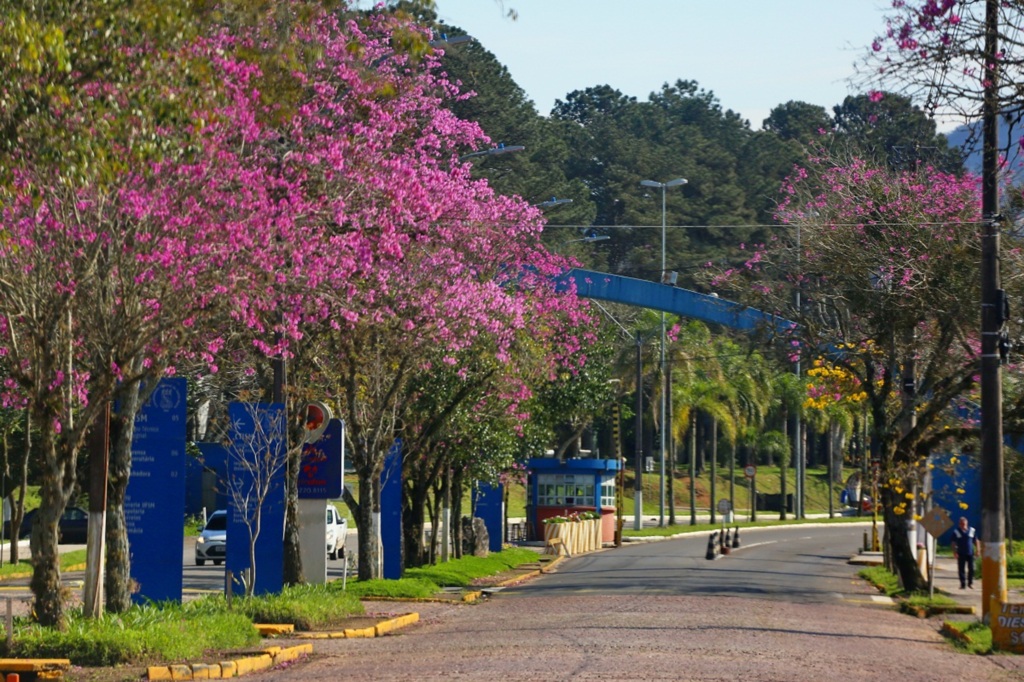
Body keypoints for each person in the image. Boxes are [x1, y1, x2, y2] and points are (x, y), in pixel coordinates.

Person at [951, 516, 980, 589]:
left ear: (967, 523)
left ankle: (970, 583)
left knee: (971, 568)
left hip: (970, 553)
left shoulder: (971, 530)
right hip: (961, 553)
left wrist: (978, 550)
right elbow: (953, 542)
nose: (963, 525)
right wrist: (954, 552)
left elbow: (976, 541)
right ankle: (963, 584)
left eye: (964, 524)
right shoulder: (956, 531)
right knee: (961, 569)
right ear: (959, 524)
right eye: (961, 524)